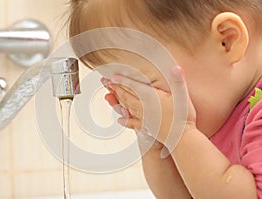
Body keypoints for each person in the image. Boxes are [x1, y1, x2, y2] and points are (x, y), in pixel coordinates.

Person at [67, 0, 262, 198]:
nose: (144, 103)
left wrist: (182, 131)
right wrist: (154, 142)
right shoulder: (218, 111)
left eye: (147, 85)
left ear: (227, 41)